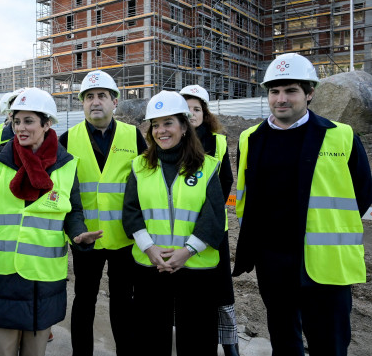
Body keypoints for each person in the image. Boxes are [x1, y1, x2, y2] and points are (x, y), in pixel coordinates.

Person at [233, 53, 372, 356]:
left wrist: (328, 226)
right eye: (274, 91)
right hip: (273, 264)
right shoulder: (250, 139)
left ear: (309, 94)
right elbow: (245, 198)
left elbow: (362, 192)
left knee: (330, 344)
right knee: (284, 342)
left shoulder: (341, 136)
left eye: (291, 90)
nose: (281, 99)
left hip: (326, 264)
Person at [0, 87, 102, 356]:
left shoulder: (66, 164)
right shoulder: (0, 160)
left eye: (29, 121)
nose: (20, 128)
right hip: (3, 277)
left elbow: (73, 212)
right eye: (16, 121)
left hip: (43, 279)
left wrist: (79, 235)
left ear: (47, 124)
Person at [122, 90, 226, 355]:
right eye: (155, 125)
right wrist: (150, 249)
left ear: (184, 125)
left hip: (195, 268)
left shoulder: (208, 167)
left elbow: (213, 215)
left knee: (197, 339)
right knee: (151, 337)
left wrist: (187, 251)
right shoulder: (139, 167)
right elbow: (132, 211)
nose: (161, 131)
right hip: (151, 266)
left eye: (168, 123)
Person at [58, 70, 146, 356]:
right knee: (84, 300)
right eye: (89, 97)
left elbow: (148, 183)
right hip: (85, 239)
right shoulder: (67, 140)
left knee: (124, 301)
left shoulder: (133, 136)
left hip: (124, 238)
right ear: (82, 103)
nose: (95, 102)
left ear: (115, 101)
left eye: (102, 96)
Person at [179, 84, 238, 356]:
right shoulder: (171, 139)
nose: (192, 114)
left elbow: (226, 182)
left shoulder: (219, 141)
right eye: (187, 108)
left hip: (214, 229)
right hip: (179, 227)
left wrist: (209, 213)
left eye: (197, 108)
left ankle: (229, 343)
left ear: (205, 112)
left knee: (220, 289)